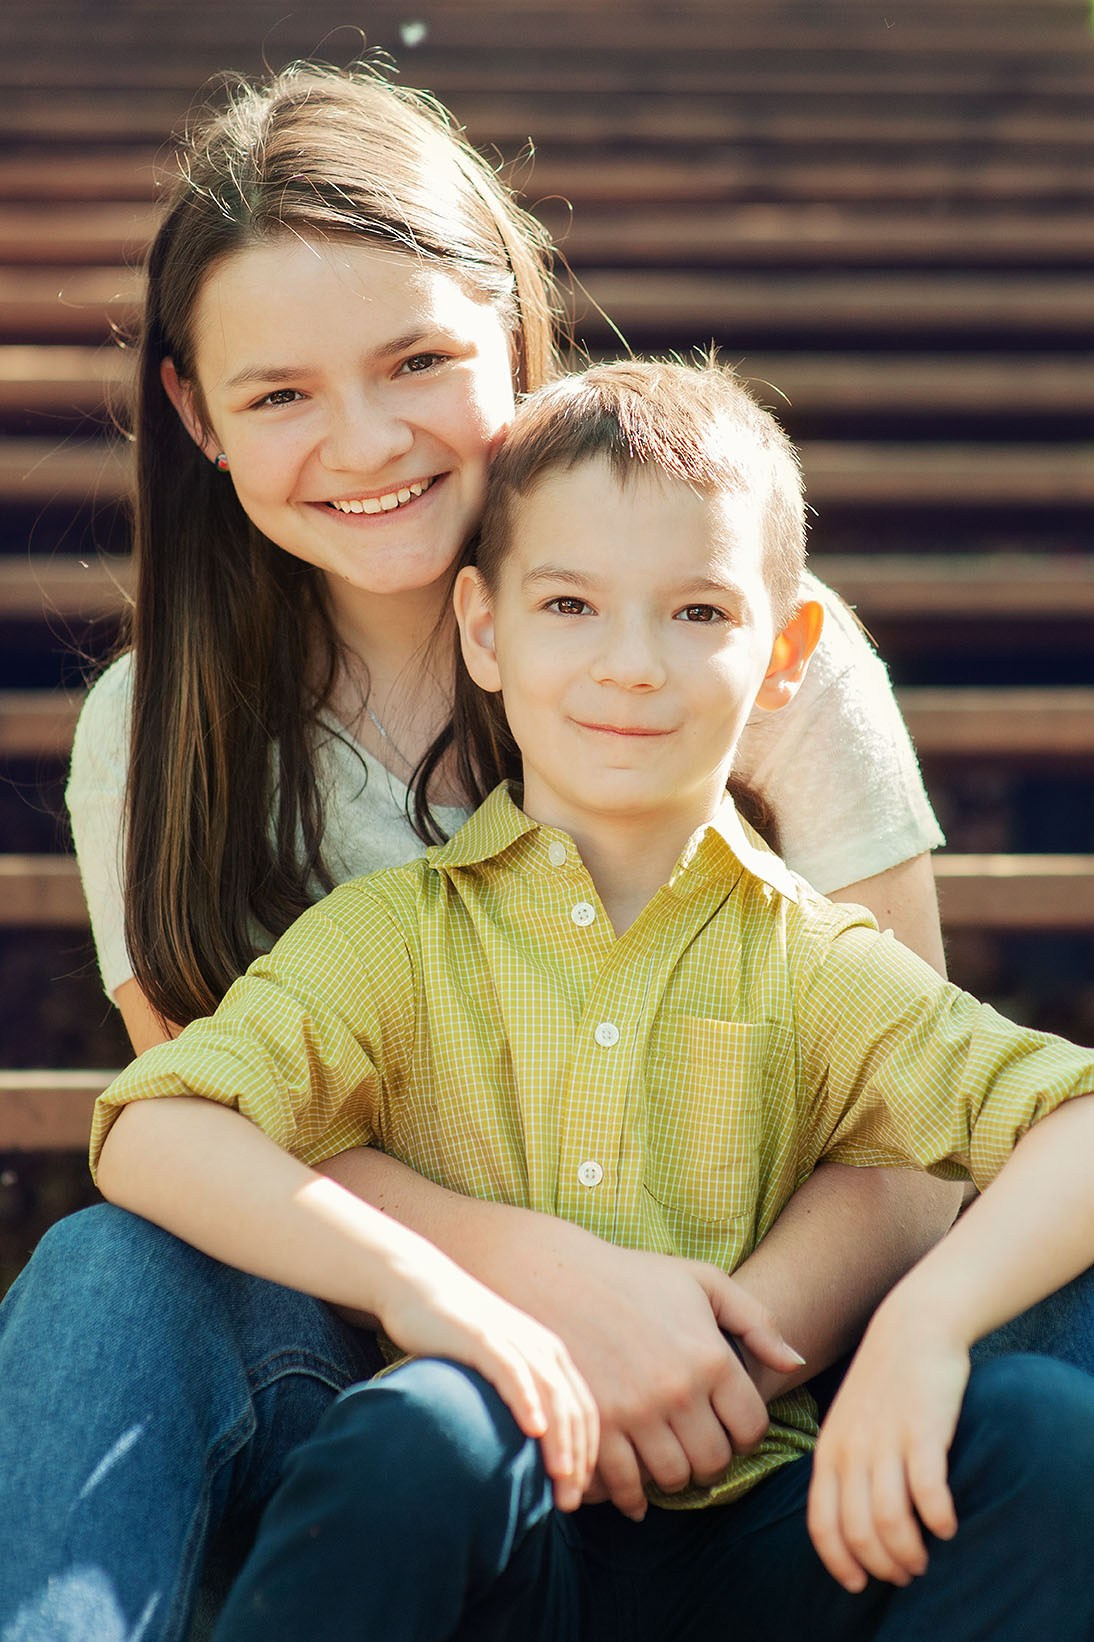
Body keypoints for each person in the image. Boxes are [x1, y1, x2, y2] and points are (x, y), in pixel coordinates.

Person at [0, 59, 992, 1641]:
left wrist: (713, 1356)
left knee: (1050, 1336)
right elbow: (211, 1129)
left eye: (418, 358)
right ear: (190, 411)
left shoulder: (739, 651)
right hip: (358, 1392)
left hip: (746, 1392)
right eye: (277, 395)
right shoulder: (155, 724)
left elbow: (904, 1136)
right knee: (105, 1273)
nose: (366, 439)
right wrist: (519, 1276)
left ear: (514, 329)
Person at [89, 359, 1094, 1641]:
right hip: (504, 1525)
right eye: (570, 603)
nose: (631, 666)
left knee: (1039, 1434)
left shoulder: (818, 961)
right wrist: (426, 1292)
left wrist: (924, 1324)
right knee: (424, 1432)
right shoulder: (396, 936)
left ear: (782, 655)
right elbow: (154, 1123)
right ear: (485, 630)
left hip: (766, 1539)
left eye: (695, 613)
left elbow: (1068, 1115)